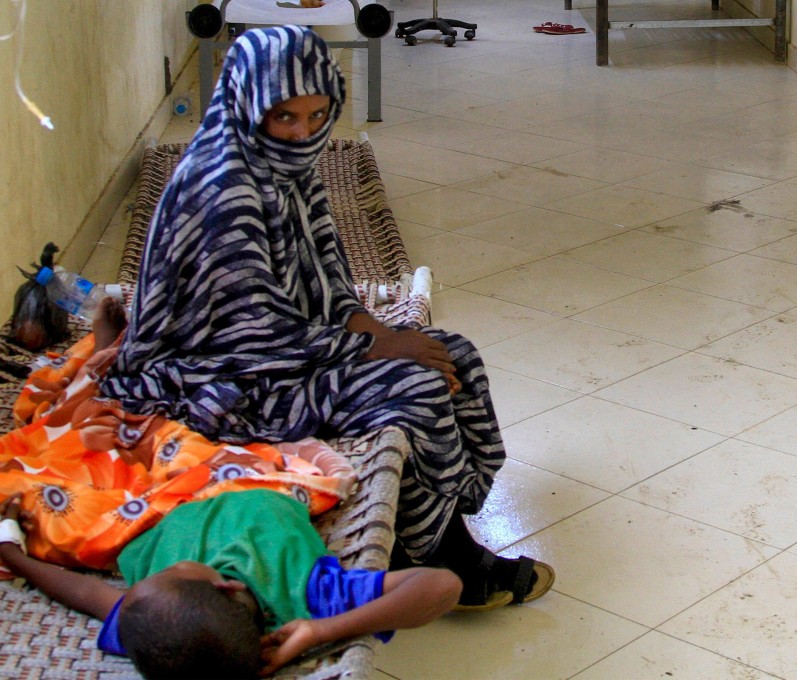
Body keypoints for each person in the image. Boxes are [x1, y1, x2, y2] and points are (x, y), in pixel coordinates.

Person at [99, 25, 553, 609]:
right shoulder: (223, 189)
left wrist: (380, 332)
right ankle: (440, 555)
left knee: (454, 354)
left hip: (289, 349)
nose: (303, 134)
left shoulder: (287, 166)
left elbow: (331, 279)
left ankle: (442, 521)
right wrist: (380, 351)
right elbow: (253, 338)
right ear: (247, 105)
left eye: (317, 117)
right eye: (285, 117)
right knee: (413, 386)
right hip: (224, 380)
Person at [0, 491, 462, 678]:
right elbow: (442, 586)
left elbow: (84, 592)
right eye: (170, 573)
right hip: (255, 482)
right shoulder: (312, 594)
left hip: (153, 503)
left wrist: (8, 548)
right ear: (227, 588)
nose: (159, 572)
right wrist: (322, 631)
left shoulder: (154, 623)